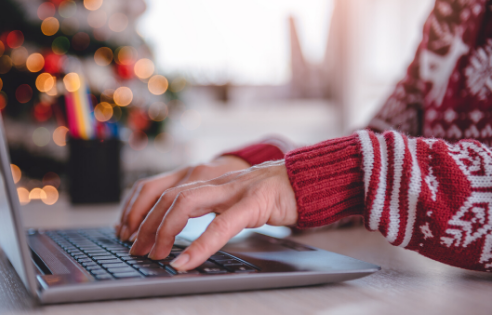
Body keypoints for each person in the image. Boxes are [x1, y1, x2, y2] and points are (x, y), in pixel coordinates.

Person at [116, 0, 492, 273]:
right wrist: (257, 166)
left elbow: (371, 170)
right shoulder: (454, 10)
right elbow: (379, 144)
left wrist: (347, 174)